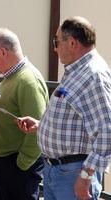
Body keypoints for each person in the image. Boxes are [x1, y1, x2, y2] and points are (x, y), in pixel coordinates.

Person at [17, 16, 111, 200]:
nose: (54, 48)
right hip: (59, 171)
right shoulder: (78, 70)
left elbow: (106, 131)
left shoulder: (93, 75)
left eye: (56, 41)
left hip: (74, 173)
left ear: (72, 43)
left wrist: (85, 177)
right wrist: (41, 125)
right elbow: (76, 118)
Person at [0, 28, 49, 200]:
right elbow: (12, 112)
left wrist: (22, 164)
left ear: (3, 52)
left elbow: (38, 126)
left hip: (17, 165)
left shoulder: (28, 81)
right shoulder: (11, 77)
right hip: (6, 163)